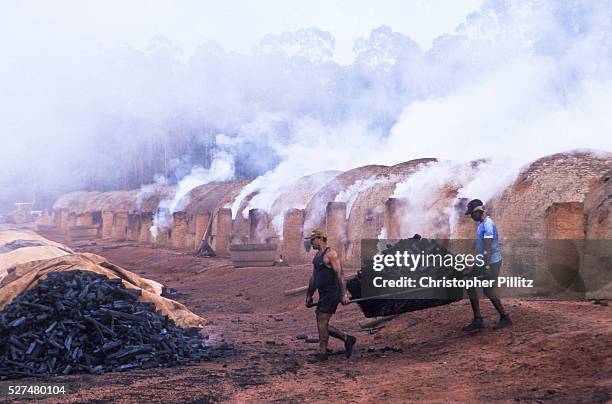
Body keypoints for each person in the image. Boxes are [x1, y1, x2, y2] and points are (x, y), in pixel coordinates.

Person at [305, 229, 356, 362]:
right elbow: (313, 279)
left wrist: (343, 294)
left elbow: (340, 275)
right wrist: (309, 296)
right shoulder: (316, 257)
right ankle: (347, 338)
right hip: (323, 294)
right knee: (321, 323)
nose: (311, 243)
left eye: (312, 240)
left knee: (322, 321)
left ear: (320, 238)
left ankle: (322, 353)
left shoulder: (331, 254)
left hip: (332, 292)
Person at [462, 199, 512, 331]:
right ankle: (478, 319)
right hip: (483, 261)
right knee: (469, 284)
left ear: (478, 212)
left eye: (472, 214)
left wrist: (487, 267)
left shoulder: (488, 225)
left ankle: (505, 318)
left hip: (491, 262)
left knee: (488, 290)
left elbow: (488, 247)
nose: (471, 217)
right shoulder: (481, 224)